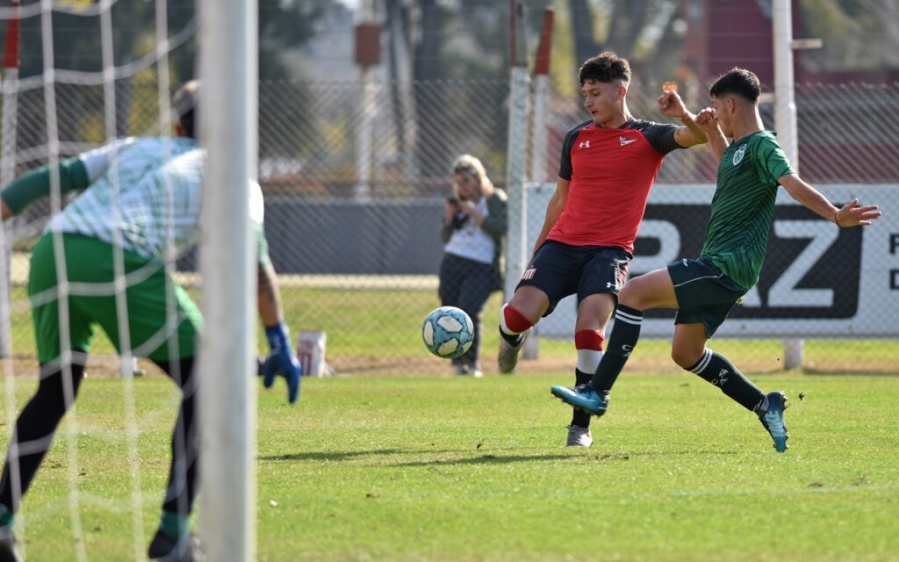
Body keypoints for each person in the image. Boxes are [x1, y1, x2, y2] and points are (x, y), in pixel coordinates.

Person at [0, 80, 302, 562]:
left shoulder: (138, 147)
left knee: (55, 390)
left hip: (53, 251)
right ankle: (171, 539)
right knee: (212, 382)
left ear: (178, 124)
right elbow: (256, 269)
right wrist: (279, 339)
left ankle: (0, 523)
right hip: (117, 260)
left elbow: (41, 182)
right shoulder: (234, 179)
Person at [551, 67, 882, 453]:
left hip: (727, 265)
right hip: (725, 266)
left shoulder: (763, 146)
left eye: (714, 107)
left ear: (729, 104)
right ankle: (764, 404)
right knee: (686, 353)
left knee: (632, 294)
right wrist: (696, 123)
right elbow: (728, 164)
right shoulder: (741, 148)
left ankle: (597, 392)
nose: (713, 113)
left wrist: (835, 214)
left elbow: (791, 183)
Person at [496, 51, 708, 448]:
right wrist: (537, 252)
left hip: (608, 252)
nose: (588, 101)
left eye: (595, 93)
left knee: (589, 328)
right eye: (585, 95)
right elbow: (559, 201)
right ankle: (511, 340)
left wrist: (682, 114)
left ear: (620, 91)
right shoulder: (576, 138)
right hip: (561, 245)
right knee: (515, 315)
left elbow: (696, 136)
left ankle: (580, 426)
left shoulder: (648, 136)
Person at [439, 155, 507, 377]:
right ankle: (458, 364)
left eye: (466, 180)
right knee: (450, 311)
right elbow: (446, 237)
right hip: (453, 260)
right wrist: (450, 218)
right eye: (458, 182)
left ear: (478, 178)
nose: (462, 186)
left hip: (481, 264)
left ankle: (473, 364)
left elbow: (500, 228)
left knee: (469, 311)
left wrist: (474, 213)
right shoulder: (456, 201)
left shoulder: (494, 199)